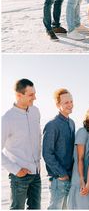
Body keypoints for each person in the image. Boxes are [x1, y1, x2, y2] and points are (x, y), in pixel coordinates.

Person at [2, 79, 41, 210]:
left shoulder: (35, 112)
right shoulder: (7, 119)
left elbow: (37, 138)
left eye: (34, 93)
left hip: (36, 174)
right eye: (31, 95)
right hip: (19, 176)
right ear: (19, 95)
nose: (35, 97)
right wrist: (16, 170)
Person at [43, 88, 75, 210]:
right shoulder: (52, 125)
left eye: (71, 101)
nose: (70, 104)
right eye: (66, 102)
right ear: (58, 105)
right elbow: (47, 153)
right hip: (58, 179)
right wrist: (62, 174)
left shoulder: (71, 123)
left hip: (69, 177)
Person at [68, 107, 89, 209]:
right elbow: (80, 158)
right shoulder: (83, 132)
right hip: (81, 178)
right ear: (87, 121)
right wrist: (82, 179)